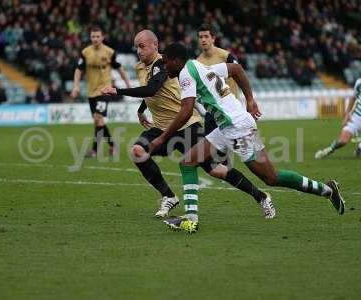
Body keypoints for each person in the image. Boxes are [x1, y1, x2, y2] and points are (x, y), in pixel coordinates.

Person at [149, 43, 345, 233]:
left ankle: (326, 190)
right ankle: (190, 219)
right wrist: (249, 100)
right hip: (229, 126)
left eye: (166, 62)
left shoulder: (185, 73)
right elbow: (236, 69)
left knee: (271, 177)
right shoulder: (201, 66)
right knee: (188, 162)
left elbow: (186, 110)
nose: (165, 66)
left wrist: (163, 137)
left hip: (235, 128)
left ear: (177, 60)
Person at [101, 30, 275, 219]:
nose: (139, 51)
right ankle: (168, 196)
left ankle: (261, 196)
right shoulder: (140, 67)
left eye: (142, 46)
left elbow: (152, 88)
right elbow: (154, 93)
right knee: (138, 152)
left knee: (215, 169)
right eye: (136, 48)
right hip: (161, 126)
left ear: (155, 45)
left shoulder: (164, 63)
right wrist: (141, 110)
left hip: (186, 125)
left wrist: (117, 90)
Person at [71, 26, 130, 157]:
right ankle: (113, 146)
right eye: (93, 36)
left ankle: (94, 151)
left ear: (102, 37)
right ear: (90, 38)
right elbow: (78, 69)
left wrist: (127, 85)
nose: (95, 39)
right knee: (98, 121)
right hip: (91, 92)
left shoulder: (109, 52)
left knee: (98, 118)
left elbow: (120, 69)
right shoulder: (86, 52)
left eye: (98, 36)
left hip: (104, 90)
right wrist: (76, 86)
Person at [315, 78, 361, 158]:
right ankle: (329, 149)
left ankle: (359, 149)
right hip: (357, 116)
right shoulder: (359, 82)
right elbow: (353, 97)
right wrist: (347, 114)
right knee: (343, 141)